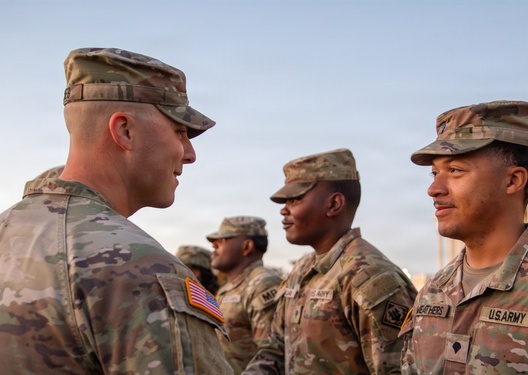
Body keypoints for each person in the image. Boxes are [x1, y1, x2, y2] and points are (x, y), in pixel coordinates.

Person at [0, 48, 233, 374]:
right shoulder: (141, 270)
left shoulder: (8, 231)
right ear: (125, 131)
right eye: (180, 131)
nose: (189, 153)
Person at [400, 100, 528, 374]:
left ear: (513, 181)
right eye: (435, 173)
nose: (433, 189)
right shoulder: (432, 292)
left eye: (455, 171)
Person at [243, 148, 418, 374]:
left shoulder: (370, 278)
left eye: (295, 199)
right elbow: (275, 350)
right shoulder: (301, 270)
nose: (283, 210)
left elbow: (398, 369)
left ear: (334, 204)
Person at [207, 216, 283, 374]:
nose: (214, 244)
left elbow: (274, 355)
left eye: (223, 239)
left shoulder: (263, 284)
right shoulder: (228, 288)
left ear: (247, 246)